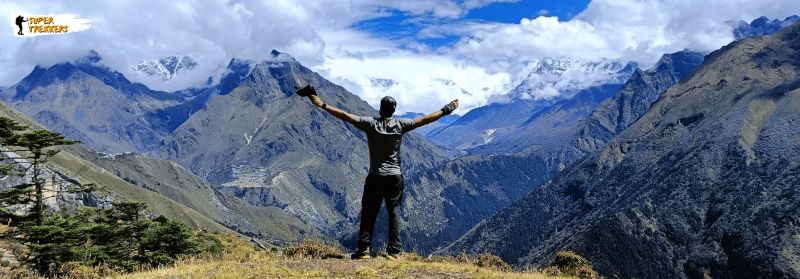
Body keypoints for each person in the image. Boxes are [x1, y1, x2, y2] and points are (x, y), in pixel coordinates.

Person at [306, 89, 458, 260]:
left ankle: (363, 250)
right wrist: (447, 109)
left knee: (369, 212)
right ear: (393, 111)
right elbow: (425, 119)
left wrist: (323, 105)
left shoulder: (370, 124)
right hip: (394, 177)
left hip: (375, 177)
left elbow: (345, 116)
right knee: (394, 213)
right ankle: (394, 252)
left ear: (380, 109)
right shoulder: (401, 125)